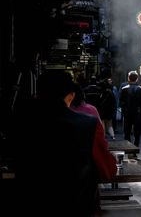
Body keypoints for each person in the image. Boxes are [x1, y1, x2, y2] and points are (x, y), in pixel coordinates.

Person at [15, 70, 117, 215]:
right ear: (71, 95)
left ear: (38, 93)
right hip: (78, 207)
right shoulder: (88, 125)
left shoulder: (22, 123)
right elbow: (108, 171)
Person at [119, 70, 141, 146]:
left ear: (128, 78)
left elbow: (121, 102)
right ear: (137, 79)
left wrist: (124, 110)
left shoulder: (124, 89)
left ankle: (129, 149)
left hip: (127, 113)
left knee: (127, 132)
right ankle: (135, 149)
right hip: (137, 113)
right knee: (137, 133)